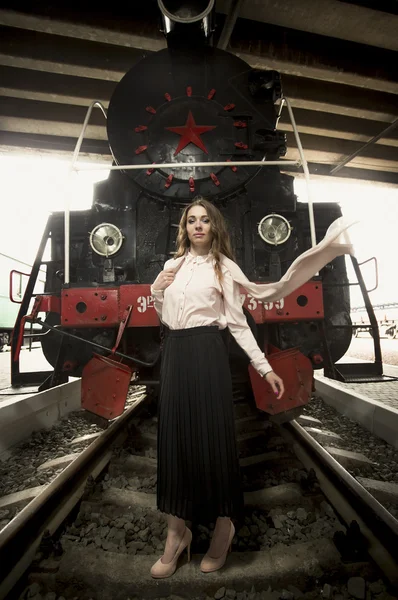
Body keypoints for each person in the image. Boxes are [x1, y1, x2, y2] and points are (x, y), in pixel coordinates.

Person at [149, 196, 355, 579]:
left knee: (213, 437)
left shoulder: (224, 268)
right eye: (191, 220)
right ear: (184, 228)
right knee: (175, 440)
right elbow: (166, 317)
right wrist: (158, 290)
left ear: (214, 228)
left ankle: (224, 526)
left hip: (207, 354)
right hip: (175, 355)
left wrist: (264, 369)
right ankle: (177, 533)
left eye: (204, 220)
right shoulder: (171, 267)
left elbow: (237, 323)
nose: (197, 226)